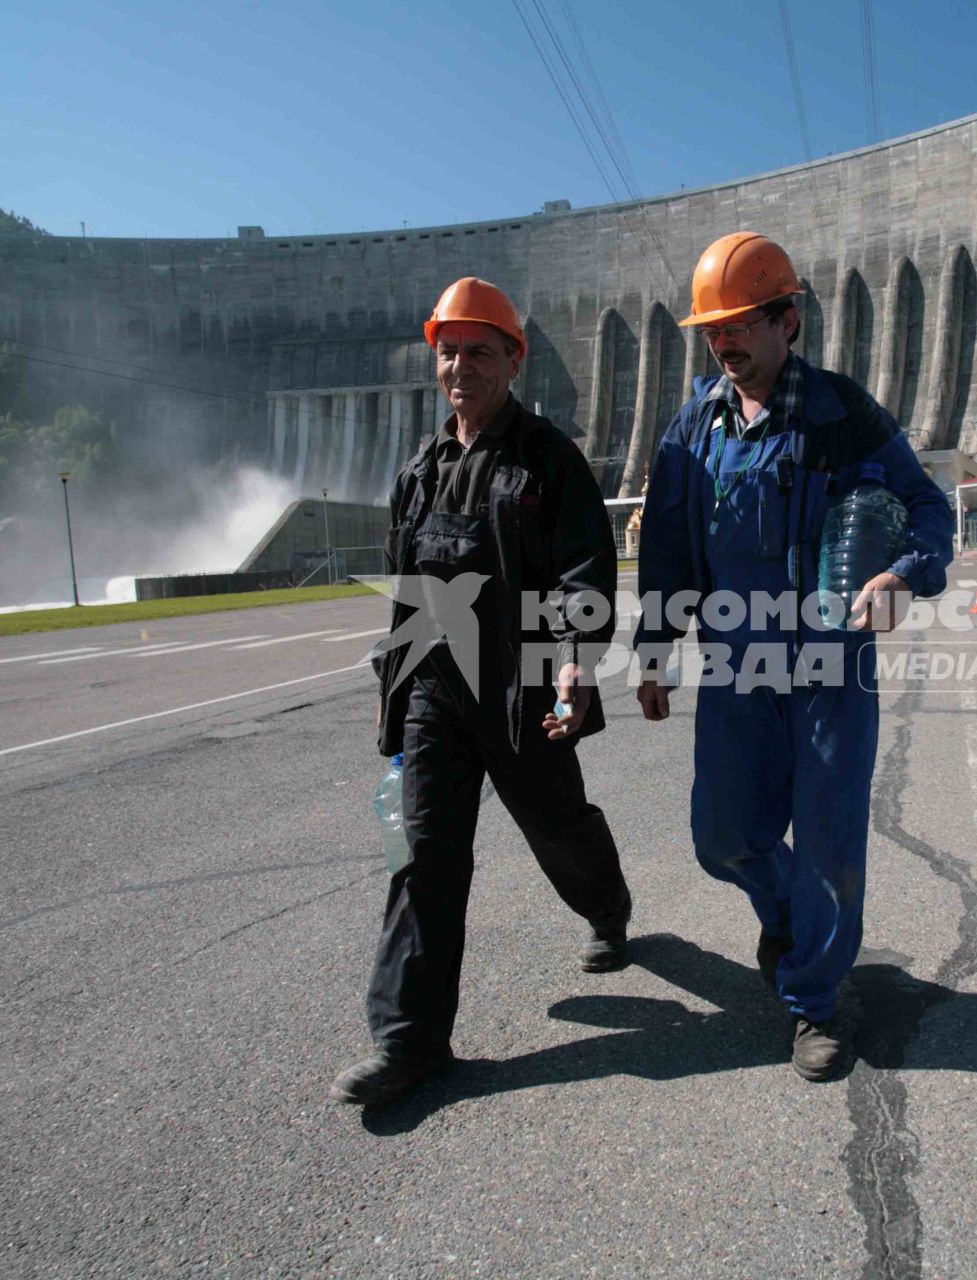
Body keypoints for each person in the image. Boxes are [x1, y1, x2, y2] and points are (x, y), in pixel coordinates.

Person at [633, 233, 952, 1081]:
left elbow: (926, 506)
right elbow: (667, 546)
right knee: (721, 836)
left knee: (829, 845)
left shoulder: (841, 413)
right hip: (736, 670)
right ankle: (788, 916)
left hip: (828, 674)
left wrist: (901, 572)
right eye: (713, 330)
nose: (725, 343)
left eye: (740, 324)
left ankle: (815, 1000)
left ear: (789, 320)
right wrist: (656, 648)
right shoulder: (693, 426)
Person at [332, 277, 633, 1107]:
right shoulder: (420, 470)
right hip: (436, 692)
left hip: (525, 689)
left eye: (478, 352)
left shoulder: (548, 460)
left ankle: (607, 908)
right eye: (449, 351)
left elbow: (583, 572)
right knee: (422, 859)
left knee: (559, 826)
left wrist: (575, 658)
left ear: (513, 360)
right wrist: (391, 692)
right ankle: (409, 1042)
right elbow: (407, 591)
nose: (460, 366)